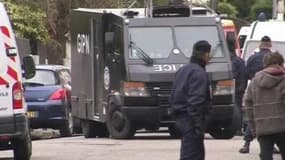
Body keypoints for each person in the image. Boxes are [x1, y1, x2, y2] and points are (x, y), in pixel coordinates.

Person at [170, 40, 212, 160]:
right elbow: (196, 100)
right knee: (192, 154)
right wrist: (197, 123)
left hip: (181, 117)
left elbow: (172, 94)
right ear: (205, 55)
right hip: (191, 120)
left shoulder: (182, 70)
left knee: (190, 151)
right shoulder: (199, 73)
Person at [240, 35, 280, 154]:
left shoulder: (252, 58)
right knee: (272, 118)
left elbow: (246, 73)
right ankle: (272, 145)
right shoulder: (274, 58)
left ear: (260, 45)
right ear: (270, 45)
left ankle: (247, 144)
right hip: (274, 91)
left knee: (256, 116)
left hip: (256, 90)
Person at [243, 51, 285, 160]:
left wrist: (254, 128)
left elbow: (248, 104)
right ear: (281, 63)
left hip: (262, 127)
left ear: (265, 64)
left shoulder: (255, 81)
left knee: (265, 156)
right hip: (282, 127)